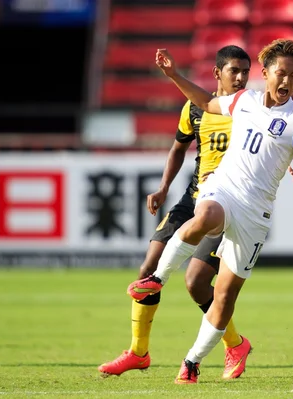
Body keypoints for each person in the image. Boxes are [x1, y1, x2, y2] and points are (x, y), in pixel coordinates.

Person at [127, 39, 293, 384]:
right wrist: (174, 74)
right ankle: (156, 279)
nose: (287, 83)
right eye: (281, 74)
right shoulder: (244, 100)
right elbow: (205, 101)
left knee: (224, 296)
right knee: (204, 216)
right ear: (265, 74)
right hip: (224, 189)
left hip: (256, 214)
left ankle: (191, 362)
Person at [99, 45, 253, 380]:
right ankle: (138, 353)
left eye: (245, 71)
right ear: (217, 74)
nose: (241, 78)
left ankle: (235, 344)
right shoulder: (195, 109)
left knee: (196, 284)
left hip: (227, 205)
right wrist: (163, 188)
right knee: (147, 270)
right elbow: (178, 149)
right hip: (192, 198)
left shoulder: (251, 111)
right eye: (234, 71)